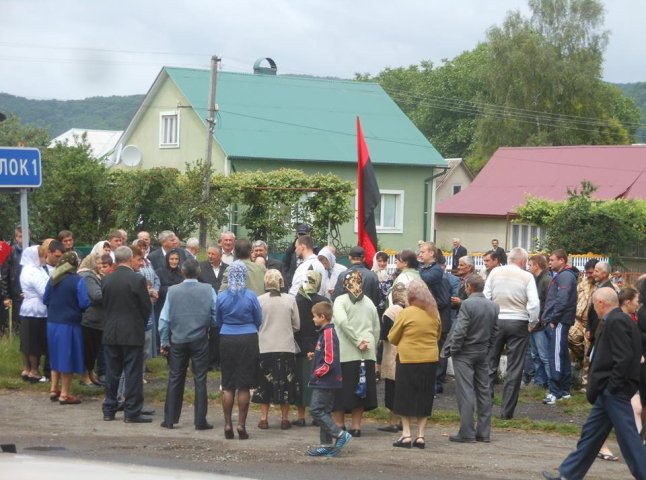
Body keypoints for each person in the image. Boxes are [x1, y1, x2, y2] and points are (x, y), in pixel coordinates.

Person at [542, 287, 646, 480]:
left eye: (593, 303)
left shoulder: (616, 321)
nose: (593, 307)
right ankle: (568, 475)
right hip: (609, 391)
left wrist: (613, 387)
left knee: (630, 440)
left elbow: (623, 359)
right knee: (591, 436)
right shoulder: (619, 320)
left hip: (614, 391)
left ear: (601, 303)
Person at [158, 258, 217, 430]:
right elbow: (215, 313)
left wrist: (164, 341)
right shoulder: (208, 289)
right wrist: (210, 324)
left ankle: (169, 419)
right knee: (200, 378)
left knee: (175, 377)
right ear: (199, 272)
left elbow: (164, 319)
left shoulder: (172, 291)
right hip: (200, 338)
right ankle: (200, 420)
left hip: (178, 339)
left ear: (182, 272)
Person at [484, 247, 539, 419]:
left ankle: (485, 406)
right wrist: (532, 322)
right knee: (514, 368)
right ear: (523, 261)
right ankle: (506, 412)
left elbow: (486, 296)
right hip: (519, 322)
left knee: (489, 364)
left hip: (497, 320)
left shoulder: (494, 273)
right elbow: (534, 304)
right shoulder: (527, 276)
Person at [442, 275, 498, 442]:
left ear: (469, 287)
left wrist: (455, 349)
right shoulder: (493, 306)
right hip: (482, 352)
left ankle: (467, 432)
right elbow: (495, 332)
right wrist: (487, 349)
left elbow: (460, 330)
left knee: (465, 391)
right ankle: (484, 432)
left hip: (465, 353)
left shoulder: (467, 304)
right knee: (484, 390)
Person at [388, 279, 441, 449]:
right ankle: (421, 436)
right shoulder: (434, 313)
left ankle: (406, 435)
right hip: (429, 359)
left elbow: (393, 337)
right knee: (424, 396)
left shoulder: (406, 312)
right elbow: (438, 335)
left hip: (407, 358)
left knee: (404, 396)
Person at [102, 246, 153, 423]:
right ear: (130, 258)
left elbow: (105, 304)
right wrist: (139, 323)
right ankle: (132, 411)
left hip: (111, 331)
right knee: (132, 372)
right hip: (131, 331)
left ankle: (109, 408)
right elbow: (146, 307)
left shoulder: (107, 279)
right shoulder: (137, 279)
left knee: (112, 372)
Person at [215, 260, 262, 440]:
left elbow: (217, 319)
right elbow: (259, 319)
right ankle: (241, 425)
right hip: (248, 337)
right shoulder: (251, 296)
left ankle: (227, 424)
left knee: (228, 384)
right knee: (244, 385)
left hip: (227, 337)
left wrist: (228, 326)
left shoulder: (222, 296)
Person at [332, 270, 380, 437]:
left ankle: (339, 424)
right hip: (366, 354)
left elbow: (342, 322)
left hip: (345, 352)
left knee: (340, 390)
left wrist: (356, 340)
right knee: (361, 390)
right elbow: (376, 328)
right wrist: (368, 344)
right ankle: (356, 426)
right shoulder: (369, 303)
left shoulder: (340, 301)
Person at [253, 269, 300, 430]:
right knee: (285, 383)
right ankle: (285, 419)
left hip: (265, 346)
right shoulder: (290, 300)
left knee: (264, 382)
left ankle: (264, 418)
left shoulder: (259, 300)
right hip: (285, 347)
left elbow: (256, 323)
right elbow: (297, 325)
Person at [305, 301, 353, 457]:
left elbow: (330, 360)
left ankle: (340, 434)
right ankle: (326, 444)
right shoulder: (323, 333)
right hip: (325, 380)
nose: (313, 319)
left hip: (326, 381)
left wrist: (316, 374)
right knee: (324, 411)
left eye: (314, 316)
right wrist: (315, 355)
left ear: (322, 316)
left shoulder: (328, 333)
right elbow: (325, 354)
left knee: (316, 410)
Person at [43, 252, 90, 404]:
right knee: (67, 357)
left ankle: (53, 389)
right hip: (69, 323)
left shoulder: (53, 278)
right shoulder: (78, 280)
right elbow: (84, 303)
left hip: (52, 322)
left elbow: (45, 299)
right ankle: (64, 394)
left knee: (55, 355)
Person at [293, 270, 330, 426]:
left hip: (300, 344)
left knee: (301, 381)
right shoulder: (323, 301)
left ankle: (301, 416)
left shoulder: (296, 299)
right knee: (317, 380)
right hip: (318, 344)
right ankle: (317, 415)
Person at [542, 249, 578, 405]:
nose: (549, 262)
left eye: (552, 260)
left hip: (559, 321)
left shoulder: (564, 277)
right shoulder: (563, 276)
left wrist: (554, 319)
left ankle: (554, 392)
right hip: (560, 321)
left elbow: (562, 301)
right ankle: (564, 391)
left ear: (562, 260)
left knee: (555, 356)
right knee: (562, 355)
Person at [377, 282, 407, 433]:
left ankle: (393, 422)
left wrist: (377, 361)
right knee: (404, 390)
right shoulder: (412, 310)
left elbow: (385, 337)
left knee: (392, 390)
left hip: (392, 355)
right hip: (408, 355)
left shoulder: (390, 312)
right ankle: (404, 421)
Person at [18, 245, 50, 383]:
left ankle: (26, 369)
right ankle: (34, 371)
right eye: (42, 256)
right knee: (34, 342)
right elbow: (43, 290)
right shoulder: (33, 271)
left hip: (28, 308)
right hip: (36, 310)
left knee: (27, 341)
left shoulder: (29, 269)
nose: (44, 258)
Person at [198, 245, 228, 371]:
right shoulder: (201, 267)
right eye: (208, 253)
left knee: (218, 334)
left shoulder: (227, 268)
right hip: (204, 304)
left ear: (220, 255)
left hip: (222, 304)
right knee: (204, 334)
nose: (210, 256)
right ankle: (207, 362)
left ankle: (219, 361)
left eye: (213, 254)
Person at [78, 253, 104, 387]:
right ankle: (84, 376)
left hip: (96, 319)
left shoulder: (93, 275)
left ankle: (90, 373)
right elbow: (96, 295)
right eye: (98, 263)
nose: (100, 265)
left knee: (93, 350)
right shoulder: (87, 276)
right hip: (90, 319)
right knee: (87, 350)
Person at [154, 249, 183, 322]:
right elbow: (157, 288)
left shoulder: (182, 273)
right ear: (167, 259)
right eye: (172, 259)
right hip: (162, 306)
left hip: (177, 307)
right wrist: (172, 289)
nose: (174, 261)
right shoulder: (159, 272)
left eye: (176, 259)